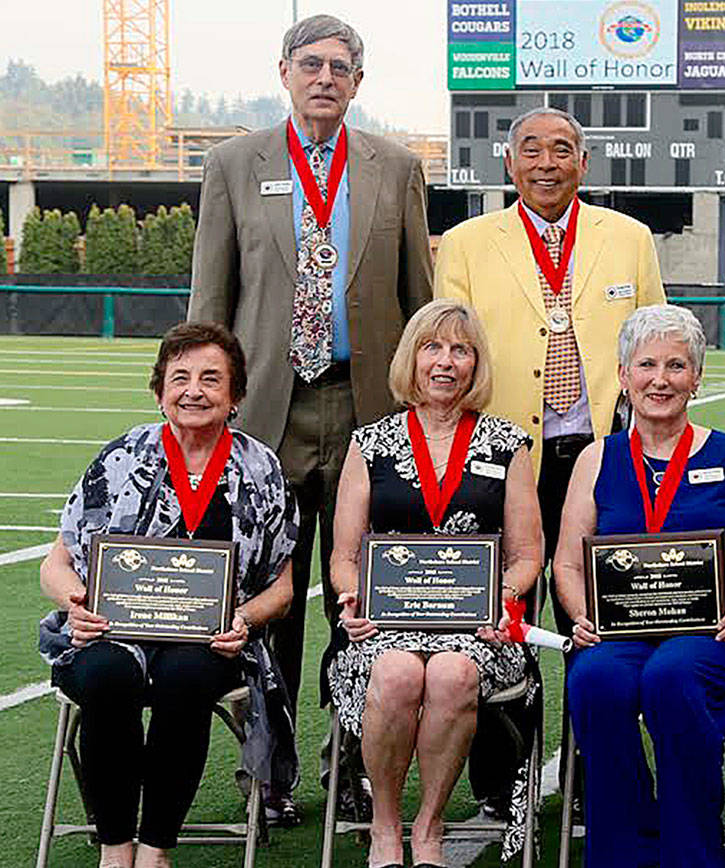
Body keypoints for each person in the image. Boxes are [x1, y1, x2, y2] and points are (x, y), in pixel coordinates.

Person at [189, 13, 434, 819]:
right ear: (284, 72)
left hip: (367, 408)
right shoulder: (232, 163)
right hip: (267, 410)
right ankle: (270, 767)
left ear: (359, 83)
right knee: (272, 593)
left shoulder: (395, 167)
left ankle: (357, 760)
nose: (325, 77)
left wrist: (418, 409)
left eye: (340, 67)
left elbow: (418, 303)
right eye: (311, 64)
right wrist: (206, 406)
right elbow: (211, 300)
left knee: (362, 596)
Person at [37, 322, 298, 868]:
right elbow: (57, 564)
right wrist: (76, 605)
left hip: (213, 640)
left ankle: (156, 847)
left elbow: (283, 586)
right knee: (107, 677)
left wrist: (244, 621)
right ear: (159, 391)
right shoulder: (122, 458)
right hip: (114, 631)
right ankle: (115, 845)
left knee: (187, 677)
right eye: (179, 378)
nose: (194, 391)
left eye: (211, 378)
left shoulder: (260, 468)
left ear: (236, 395)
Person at [327, 299, 543, 867]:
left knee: (452, 673)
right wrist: (352, 599)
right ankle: (384, 825)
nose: (446, 362)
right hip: (385, 625)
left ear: (476, 364)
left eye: (461, 350)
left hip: (477, 628)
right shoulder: (369, 444)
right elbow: (344, 555)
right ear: (411, 359)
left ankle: (429, 826)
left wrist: (502, 598)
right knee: (396, 673)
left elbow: (527, 555)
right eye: (432, 347)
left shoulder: (508, 443)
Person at [552, 305, 725, 868]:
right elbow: (568, 565)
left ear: (696, 377)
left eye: (677, 365)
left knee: (672, 676)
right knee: (596, 679)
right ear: (623, 375)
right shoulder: (597, 458)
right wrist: (581, 617)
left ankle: (691, 849)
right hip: (619, 633)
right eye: (645, 364)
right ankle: (623, 849)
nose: (660, 379)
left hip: (714, 631)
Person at [436, 106, 666, 635]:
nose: (547, 163)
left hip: (602, 452)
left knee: (602, 612)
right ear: (509, 162)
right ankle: (515, 716)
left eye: (562, 150)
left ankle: (593, 714)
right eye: (532, 150)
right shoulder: (466, 244)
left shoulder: (630, 238)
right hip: (501, 456)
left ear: (583, 163)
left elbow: (655, 338)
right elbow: (448, 356)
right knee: (501, 616)